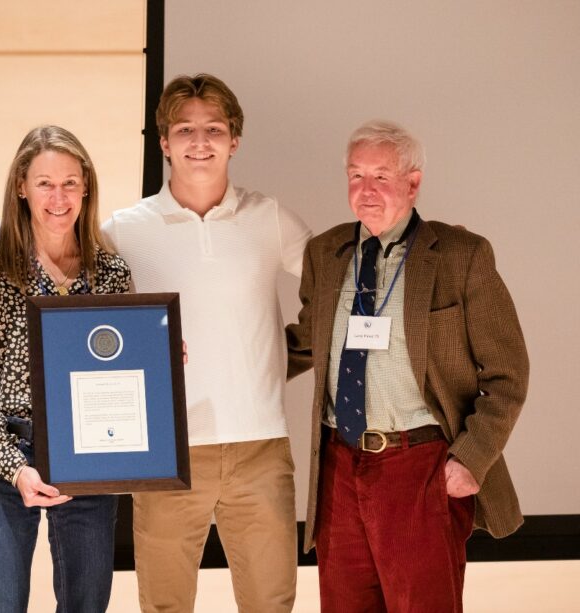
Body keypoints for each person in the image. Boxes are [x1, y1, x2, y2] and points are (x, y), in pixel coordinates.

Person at [286, 120, 529, 612]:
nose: (365, 190)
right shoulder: (327, 254)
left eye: (381, 176)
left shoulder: (461, 256)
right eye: (355, 175)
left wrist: (470, 460)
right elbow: (304, 344)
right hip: (339, 464)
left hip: (419, 465)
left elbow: (508, 373)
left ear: (412, 183)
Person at [102, 74, 311, 612]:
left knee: (271, 604)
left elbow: (332, 289)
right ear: (164, 142)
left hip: (261, 448)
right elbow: (96, 334)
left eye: (214, 129)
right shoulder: (123, 232)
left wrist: (281, 357)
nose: (201, 142)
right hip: (167, 452)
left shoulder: (271, 220)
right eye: (185, 129)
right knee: (164, 605)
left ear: (234, 140)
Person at [0, 125, 130, 613]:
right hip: (6, 460)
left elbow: (122, 376)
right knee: (3, 604)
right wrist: (14, 469)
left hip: (91, 459)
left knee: (87, 605)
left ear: (86, 189)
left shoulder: (112, 275)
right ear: (21, 186)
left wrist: (158, 363)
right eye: (44, 183)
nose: (58, 198)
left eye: (70, 184)